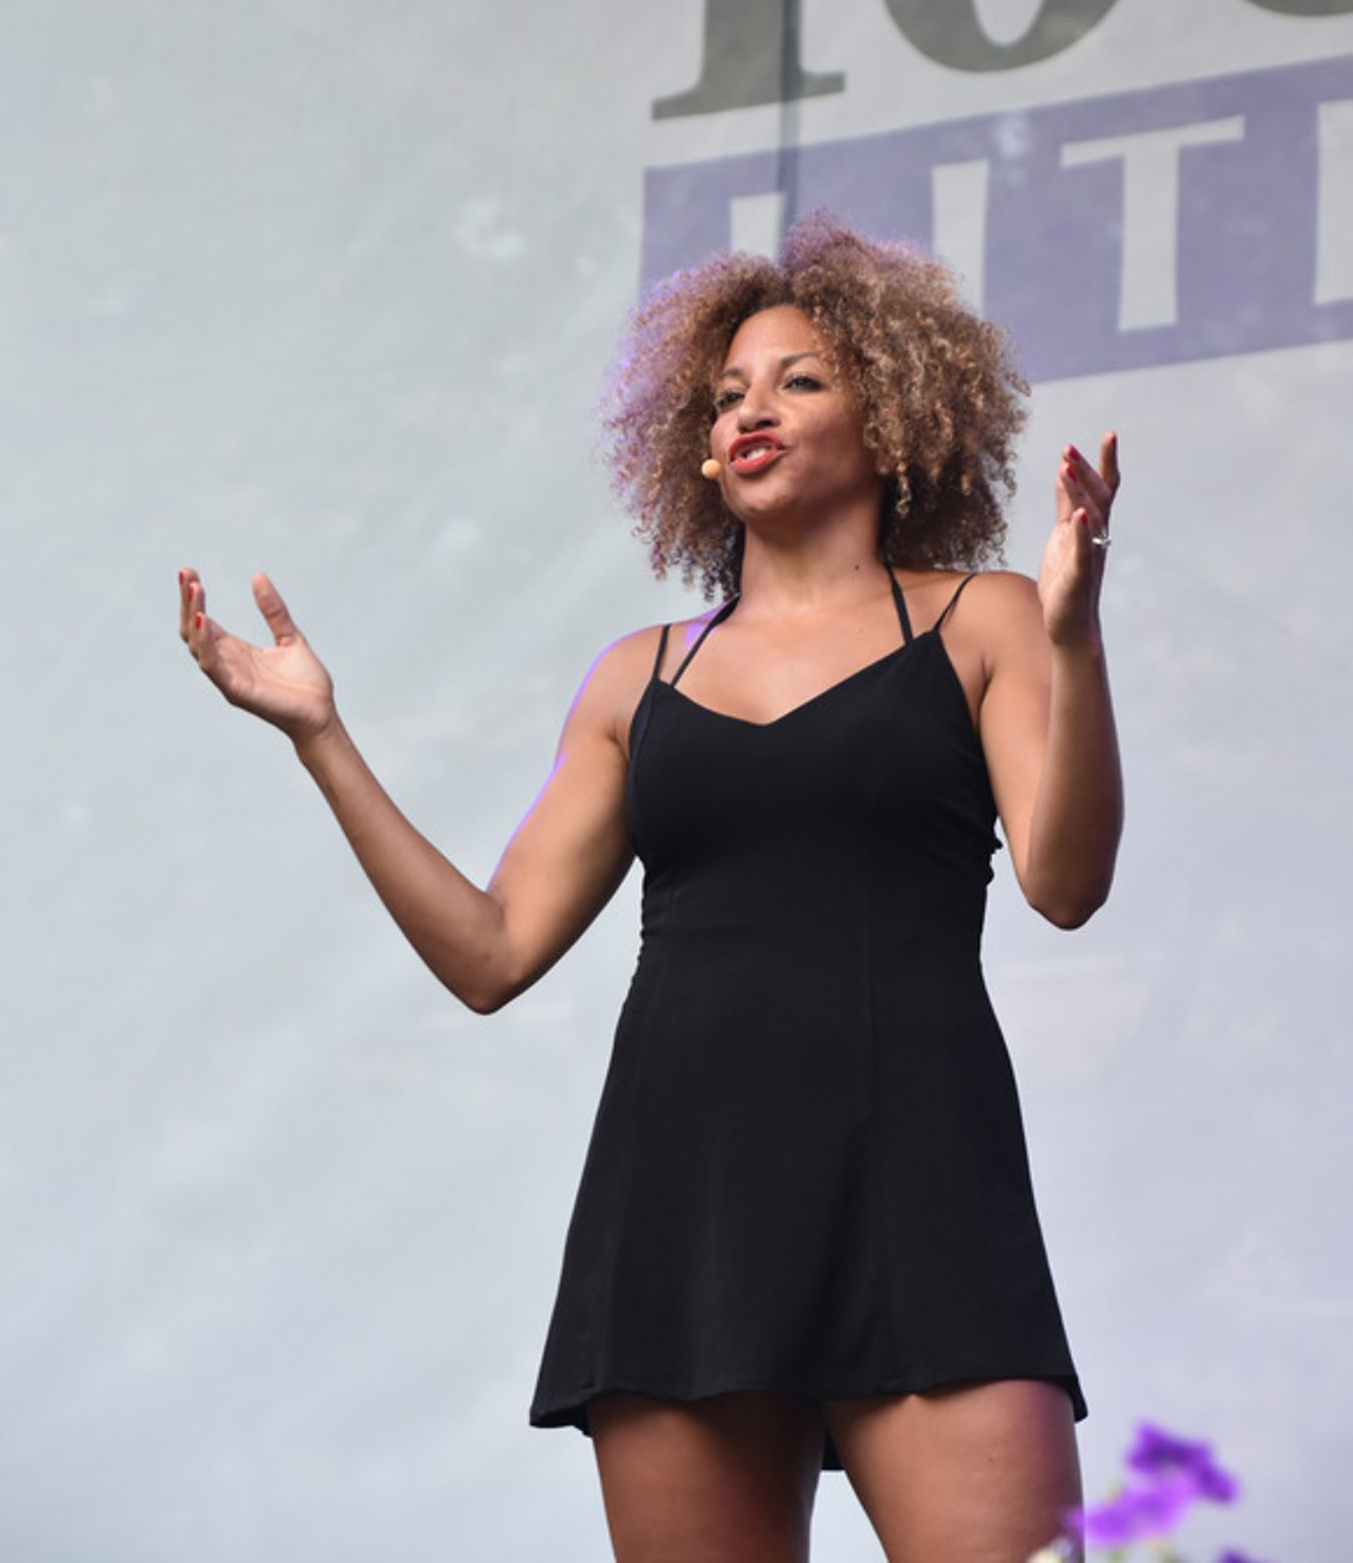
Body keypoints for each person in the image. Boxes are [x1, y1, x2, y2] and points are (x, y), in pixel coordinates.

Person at [178, 213, 1121, 1563]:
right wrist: (322, 736)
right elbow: (492, 954)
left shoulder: (984, 620)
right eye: (729, 392)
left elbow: (1068, 882)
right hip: (685, 1212)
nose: (754, 410)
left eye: (801, 379)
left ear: (897, 411)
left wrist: (1076, 646)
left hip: (925, 1183)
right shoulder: (640, 676)